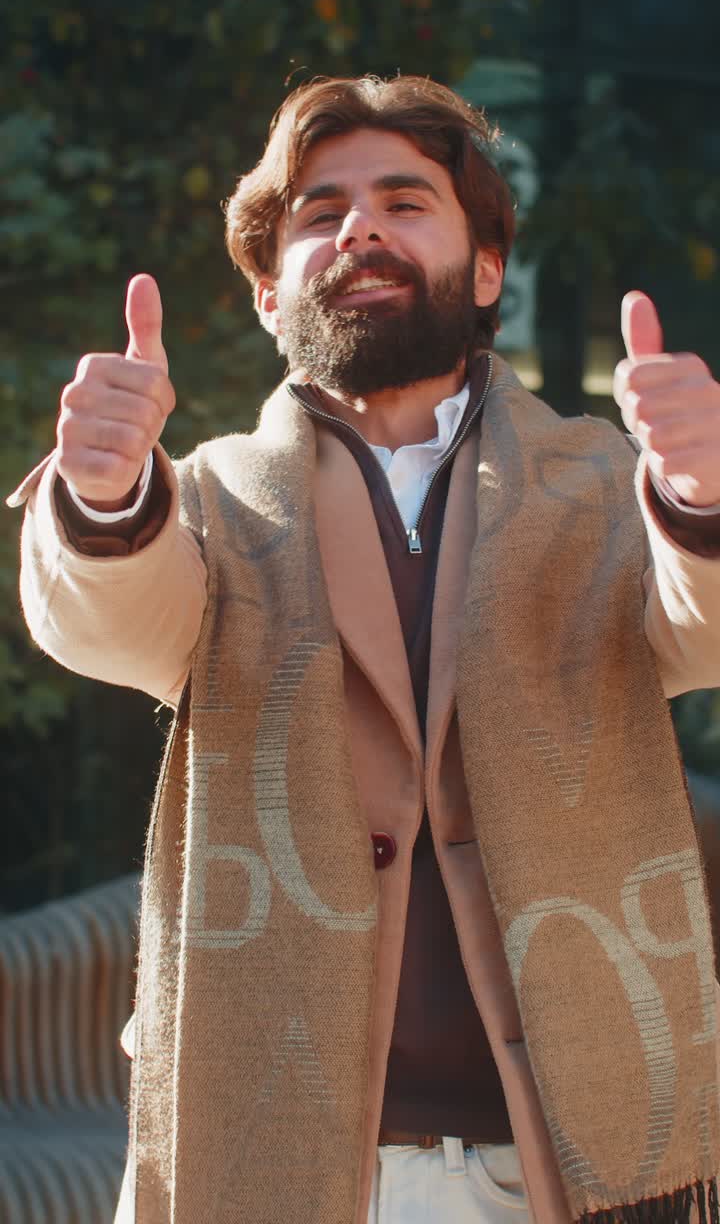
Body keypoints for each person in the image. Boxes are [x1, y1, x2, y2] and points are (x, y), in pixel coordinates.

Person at [8, 75, 720, 1224]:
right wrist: (101, 494)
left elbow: (700, 625)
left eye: (405, 200)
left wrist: (703, 494)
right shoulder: (204, 498)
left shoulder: (604, 480)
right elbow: (109, 621)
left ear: (485, 270)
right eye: (320, 211)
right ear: (266, 294)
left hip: (584, 1165)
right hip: (272, 1162)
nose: (360, 228)